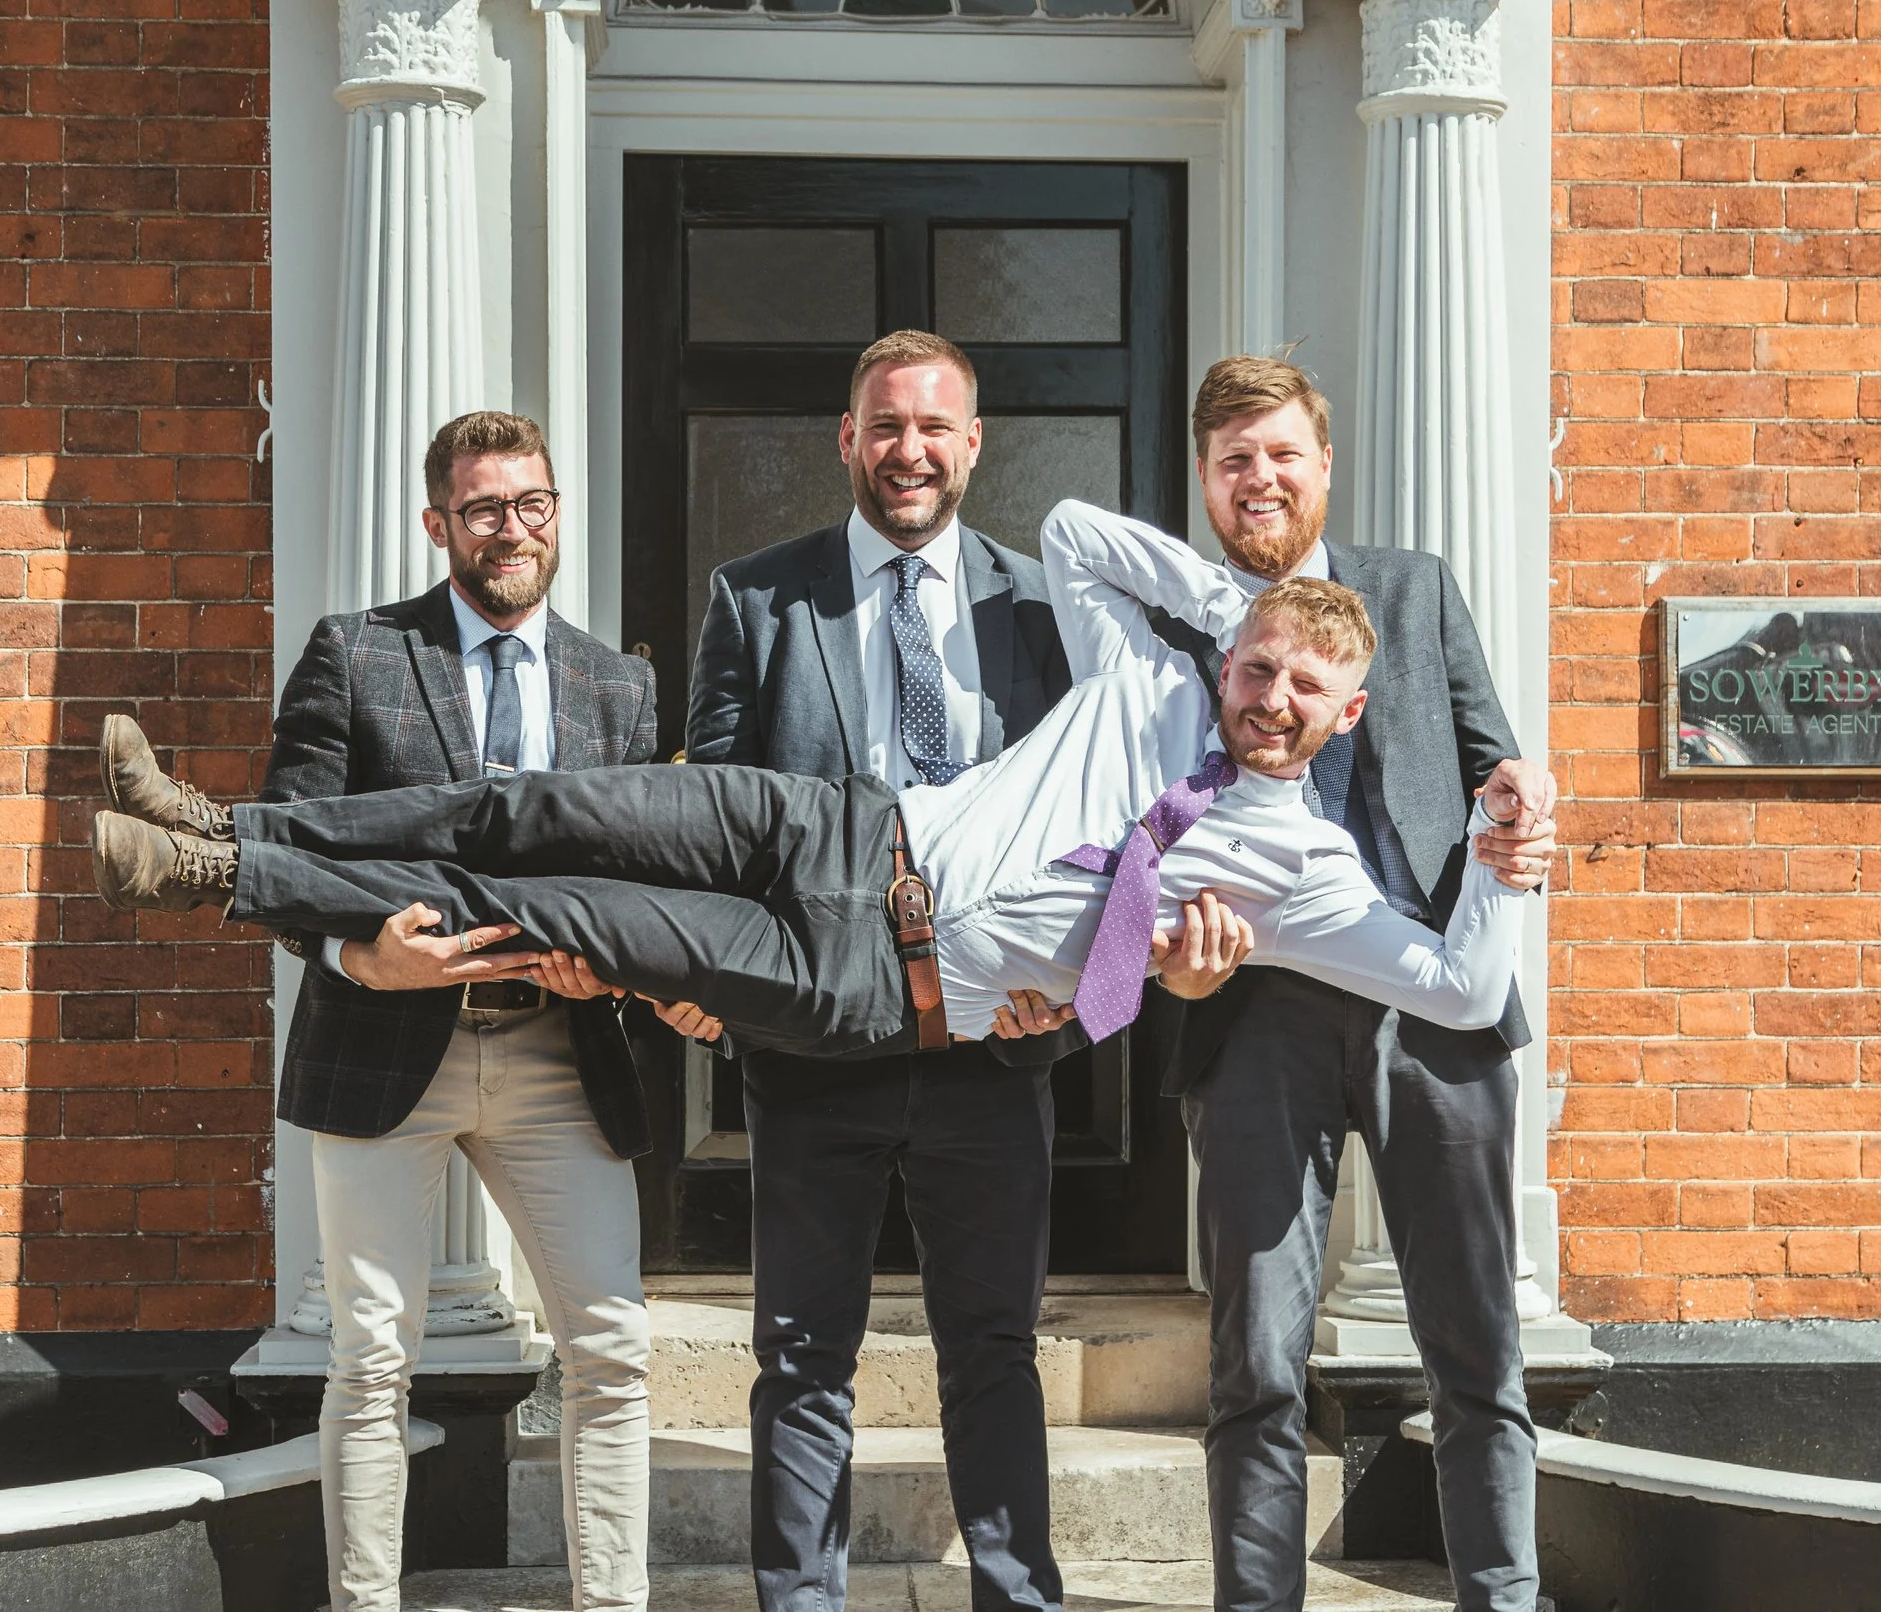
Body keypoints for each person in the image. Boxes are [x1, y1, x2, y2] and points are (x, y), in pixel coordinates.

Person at [92, 499, 1551, 1145]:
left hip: (876, 980)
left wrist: (1497, 865)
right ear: (1227, 651)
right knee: (531, 803)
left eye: (1309, 686)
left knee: (557, 907)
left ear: (1348, 713)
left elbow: (1465, 985)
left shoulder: (1304, 871)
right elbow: (1075, 532)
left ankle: (217, 878)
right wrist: (1244, 601)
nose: (1275, 696)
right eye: (1262, 666)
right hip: (844, 829)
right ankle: (217, 824)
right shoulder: (1148, 678)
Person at [121, 409, 693, 1612]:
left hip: (556, 1054)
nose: (511, 529)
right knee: (370, 1353)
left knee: (610, 1346)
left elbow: (644, 874)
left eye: (531, 503)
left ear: (556, 512)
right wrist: (353, 951)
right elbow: (305, 849)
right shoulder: (358, 651)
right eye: (482, 507)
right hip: (387, 1046)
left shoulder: (621, 685)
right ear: (438, 523)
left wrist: (619, 964)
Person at [686, 329, 1083, 1612]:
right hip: (814, 1041)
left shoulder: (1043, 607)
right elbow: (712, 820)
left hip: (991, 1043)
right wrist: (711, 977)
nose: (909, 449)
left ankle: (1017, 1594)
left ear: (973, 443)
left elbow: (1099, 819)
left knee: (992, 1351)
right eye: (885, 425)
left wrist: (1082, 993)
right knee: (802, 1357)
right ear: (846, 441)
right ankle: (799, 1601)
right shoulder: (756, 598)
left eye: (934, 426)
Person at [1154, 356, 1557, 1612]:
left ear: (1322, 467)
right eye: (1233, 458)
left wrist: (1528, 812)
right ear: (1206, 480)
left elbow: (1495, 754)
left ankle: (1499, 1592)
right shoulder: (1174, 621)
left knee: (1475, 1344)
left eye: (1280, 453)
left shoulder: (1411, 589)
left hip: (1428, 1007)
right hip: (1247, 1013)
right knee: (1256, 1356)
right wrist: (1161, 955)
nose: (1258, 477)